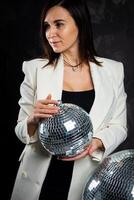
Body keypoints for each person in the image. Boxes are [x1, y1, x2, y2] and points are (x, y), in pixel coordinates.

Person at [11, 0, 127, 200]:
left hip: (85, 177)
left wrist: (97, 142)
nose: (50, 33)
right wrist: (32, 120)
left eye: (59, 24)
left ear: (80, 24)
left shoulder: (113, 70)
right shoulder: (35, 69)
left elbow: (120, 126)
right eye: (47, 26)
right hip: (39, 179)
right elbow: (21, 131)